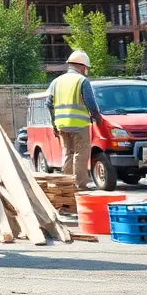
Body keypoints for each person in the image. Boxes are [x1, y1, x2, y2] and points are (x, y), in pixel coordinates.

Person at [46, 50, 99, 190]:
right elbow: (91, 103)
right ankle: (80, 185)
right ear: (82, 67)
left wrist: (54, 124)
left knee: (67, 154)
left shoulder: (56, 81)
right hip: (80, 124)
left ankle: (68, 185)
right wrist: (97, 117)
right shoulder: (82, 81)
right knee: (80, 154)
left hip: (62, 125)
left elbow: (48, 103)